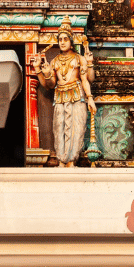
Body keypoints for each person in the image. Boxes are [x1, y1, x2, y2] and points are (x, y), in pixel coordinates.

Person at [31, 17, 96, 166]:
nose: (62, 42)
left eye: (65, 39)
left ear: (71, 41)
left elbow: (86, 80)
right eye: (60, 39)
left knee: (76, 128)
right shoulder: (54, 61)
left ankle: (72, 160)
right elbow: (49, 85)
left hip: (77, 95)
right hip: (60, 96)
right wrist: (40, 71)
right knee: (59, 127)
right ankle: (61, 159)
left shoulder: (79, 59)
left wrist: (90, 98)